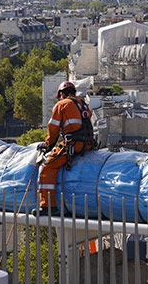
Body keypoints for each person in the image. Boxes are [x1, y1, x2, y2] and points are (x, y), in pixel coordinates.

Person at [34, 81, 97, 214]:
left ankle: (47, 205)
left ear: (61, 94)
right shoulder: (83, 105)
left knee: (47, 168)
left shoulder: (62, 105)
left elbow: (53, 129)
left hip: (73, 144)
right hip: (88, 144)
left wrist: (48, 145)